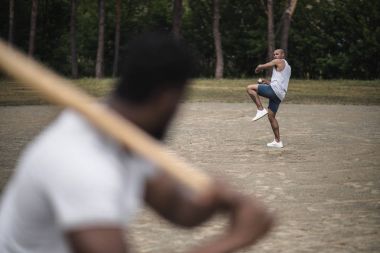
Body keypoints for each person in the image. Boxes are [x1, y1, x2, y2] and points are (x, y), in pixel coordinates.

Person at [0, 32, 273, 253]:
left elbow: (178, 209)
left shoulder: (126, 133)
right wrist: (236, 239)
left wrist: (214, 200)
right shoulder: (81, 163)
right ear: (166, 98)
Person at [246, 49, 291, 148]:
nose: (275, 56)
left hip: (274, 91)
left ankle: (260, 109)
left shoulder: (279, 61)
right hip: (279, 95)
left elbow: (261, 66)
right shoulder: (288, 67)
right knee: (271, 117)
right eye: (274, 54)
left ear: (283, 55)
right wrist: (267, 82)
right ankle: (278, 141)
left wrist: (258, 68)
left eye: (277, 54)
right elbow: (279, 83)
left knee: (249, 88)